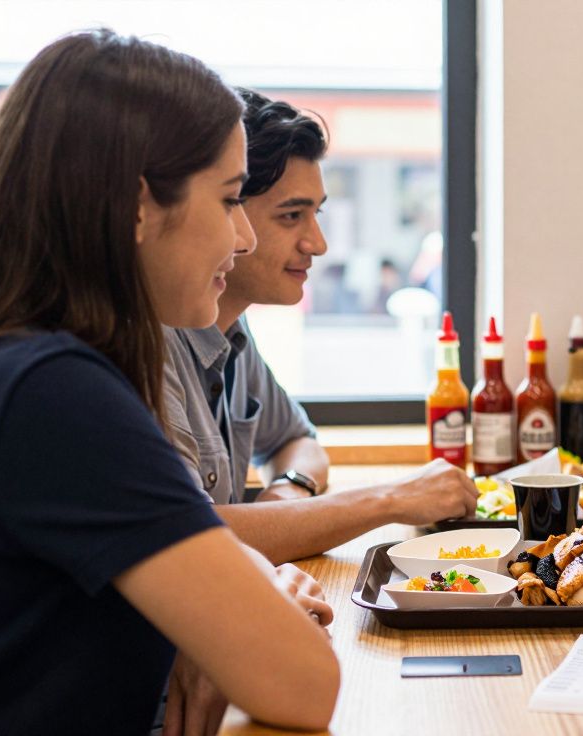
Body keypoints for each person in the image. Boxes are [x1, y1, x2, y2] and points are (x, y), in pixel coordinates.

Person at [0, 31, 339, 735]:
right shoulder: (54, 394)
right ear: (137, 206)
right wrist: (247, 604)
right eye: (226, 201)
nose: (241, 239)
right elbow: (306, 683)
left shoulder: (15, 362)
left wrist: (226, 597)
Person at [162, 89, 477, 565]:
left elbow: (298, 440)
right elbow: (194, 541)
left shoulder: (232, 334)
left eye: (317, 213)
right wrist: (390, 498)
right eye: (292, 216)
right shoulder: (148, 344)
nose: (319, 243)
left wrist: (288, 493)